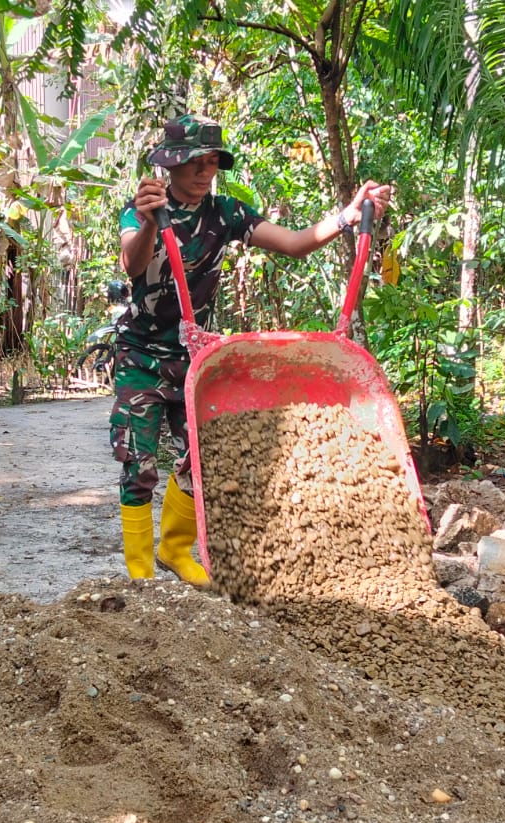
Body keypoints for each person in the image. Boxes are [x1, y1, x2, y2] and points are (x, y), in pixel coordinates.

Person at [112, 113, 392, 586]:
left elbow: (295, 243)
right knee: (138, 463)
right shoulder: (139, 210)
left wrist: (348, 215)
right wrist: (145, 223)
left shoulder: (226, 213)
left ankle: (175, 550)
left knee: (194, 460)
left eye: (212, 163)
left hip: (192, 359)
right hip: (139, 355)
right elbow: (132, 264)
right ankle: (139, 573)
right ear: (170, 165)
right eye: (194, 163)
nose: (204, 173)